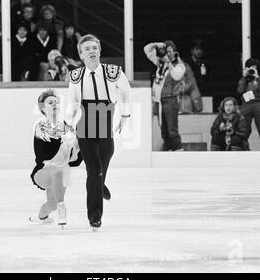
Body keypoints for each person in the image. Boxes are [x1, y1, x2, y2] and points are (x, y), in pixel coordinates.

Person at [65, 34, 132, 230]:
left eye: (95, 48)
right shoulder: (76, 76)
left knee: (103, 163)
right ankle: (95, 216)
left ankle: (99, 185)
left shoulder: (113, 72)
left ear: (100, 51)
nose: (92, 51)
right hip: (85, 129)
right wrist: (67, 123)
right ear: (81, 55)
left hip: (105, 128)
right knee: (93, 171)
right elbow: (73, 102)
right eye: (87, 49)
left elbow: (126, 91)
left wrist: (125, 116)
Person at [30, 89, 82, 226]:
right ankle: (62, 207)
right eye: (50, 102)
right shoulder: (39, 124)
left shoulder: (66, 126)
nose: (55, 104)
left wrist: (78, 145)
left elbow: (73, 158)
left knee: (51, 204)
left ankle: (40, 217)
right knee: (58, 170)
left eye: (57, 102)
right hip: (43, 170)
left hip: (61, 170)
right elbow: (48, 149)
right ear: (42, 107)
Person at [144, 40, 186, 151]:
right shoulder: (160, 61)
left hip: (171, 100)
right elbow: (147, 50)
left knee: (172, 130)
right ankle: (167, 150)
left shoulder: (180, 64)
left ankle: (178, 150)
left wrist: (168, 62)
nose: (168, 54)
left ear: (175, 52)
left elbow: (176, 75)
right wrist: (156, 45)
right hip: (159, 100)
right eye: (166, 51)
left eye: (170, 52)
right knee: (164, 130)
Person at [237, 58, 260, 151]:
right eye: (250, 68)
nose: (252, 69)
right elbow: (240, 90)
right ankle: (240, 149)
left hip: (259, 104)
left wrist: (257, 76)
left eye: (254, 67)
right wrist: (244, 77)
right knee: (243, 129)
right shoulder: (244, 79)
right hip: (246, 104)